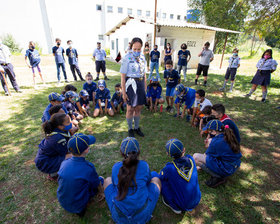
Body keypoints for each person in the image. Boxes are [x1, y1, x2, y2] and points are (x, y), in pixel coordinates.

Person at [103, 137, 161, 224]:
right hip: (142, 216)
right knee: (156, 179)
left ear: (121, 153)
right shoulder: (144, 166)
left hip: (119, 216)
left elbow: (115, 183)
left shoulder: (116, 167)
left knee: (107, 180)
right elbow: (148, 181)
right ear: (138, 152)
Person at [57, 133, 104, 216]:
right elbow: (97, 184)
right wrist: (102, 192)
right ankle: (81, 209)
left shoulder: (64, 163)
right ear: (87, 149)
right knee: (101, 179)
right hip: (79, 206)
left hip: (62, 201)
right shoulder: (88, 167)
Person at [193, 120, 242, 188]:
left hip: (227, 169)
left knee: (196, 157)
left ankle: (219, 176)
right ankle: (219, 172)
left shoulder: (216, 142)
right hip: (234, 165)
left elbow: (206, 155)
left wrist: (209, 146)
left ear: (214, 131)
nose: (208, 133)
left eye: (209, 131)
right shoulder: (227, 135)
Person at [157, 139, 201, 214]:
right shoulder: (191, 159)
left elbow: (161, 176)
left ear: (168, 154)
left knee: (161, 180)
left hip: (182, 205)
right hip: (197, 199)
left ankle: (174, 206)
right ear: (184, 149)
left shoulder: (169, 168)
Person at [120, 37, 147, 137]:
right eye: (134, 49)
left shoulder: (143, 58)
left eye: (139, 49)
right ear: (131, 47)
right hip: (130, 85)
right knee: (130, 108)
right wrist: (124, 92)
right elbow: (123, 77)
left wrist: (145, 87)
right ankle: (130, 129)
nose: (136, 51)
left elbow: (144, 74)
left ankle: (136, 127)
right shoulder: (126, 58)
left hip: (140, 84)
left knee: (139, 108)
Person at [34, 113, 72, 180]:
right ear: (60, 126)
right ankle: (54, 174)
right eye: (68, 122)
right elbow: (66, 152)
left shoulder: (57, 131)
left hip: (47, 158)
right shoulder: (58, 138)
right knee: (72, 156)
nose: (70, 123)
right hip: (45, 163)